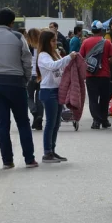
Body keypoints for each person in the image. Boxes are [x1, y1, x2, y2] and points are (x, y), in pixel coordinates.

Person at [0, 8, 37, 169]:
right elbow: (27, 60)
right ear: (12, 23)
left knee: (2, 123)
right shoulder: (18, 36)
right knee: (23, 122)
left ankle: (7, 160)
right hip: (16, 82)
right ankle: (29, 159)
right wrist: (26, 78)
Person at [37, 30, 77, 163]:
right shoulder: (43, 55)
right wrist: (68, 57)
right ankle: (47, 153)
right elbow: (52, 66)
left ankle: (52, 150)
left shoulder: (54, 53)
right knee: (50, 122)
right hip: (48, 91)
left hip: (57, 90)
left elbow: (61, 67)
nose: (55, 43)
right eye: (53, 41)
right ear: (46, 42)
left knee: (56, 123)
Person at [80, 21, 112, 129]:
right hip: (104, 74)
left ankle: (96, 120)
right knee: (104, 98)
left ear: (92, 30)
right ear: (101, 30)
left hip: (90, 74)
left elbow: (81, 57)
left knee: (93, 98)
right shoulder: (107, 42)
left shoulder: (85, 42)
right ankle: (104, 120)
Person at [25, 28, 44, 130]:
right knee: (40, 98)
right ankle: (39, 119)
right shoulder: (42, 47)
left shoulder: (27, 47)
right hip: (41, 75)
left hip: (29, 75)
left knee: (29, 97)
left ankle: (35, 112)